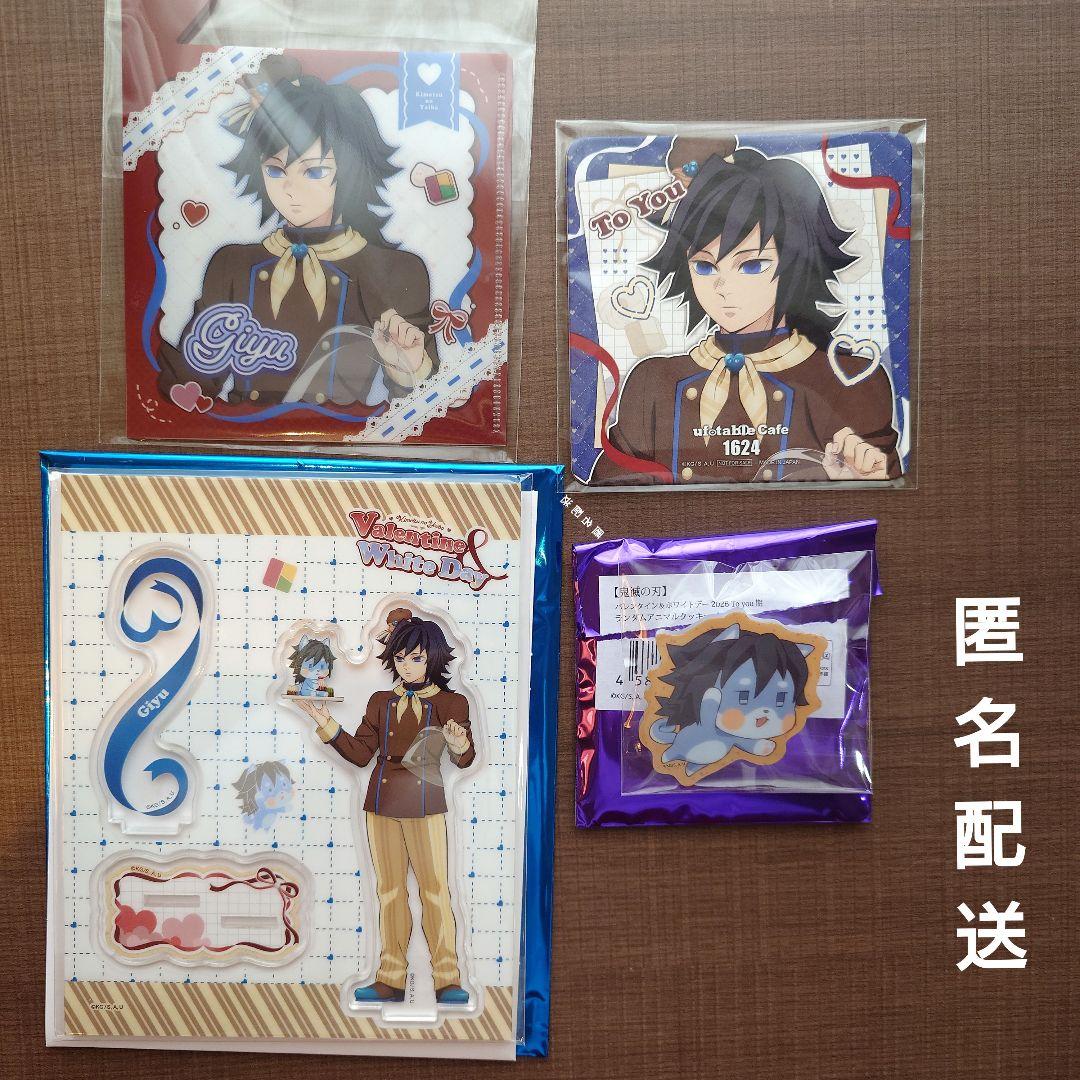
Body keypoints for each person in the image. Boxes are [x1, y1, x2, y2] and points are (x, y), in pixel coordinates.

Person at [591, 142, 900, 485]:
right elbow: (611, 496)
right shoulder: (652, 384)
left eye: (752, 265)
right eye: (705, 267)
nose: (723, 287)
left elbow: (886, 498)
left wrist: (861, 480)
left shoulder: (849, 382)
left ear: (796, 263)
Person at [159, 69, 434, 411]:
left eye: (314, 171)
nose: (290, 189)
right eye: (275, 170)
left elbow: (423, 416)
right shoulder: (231, 265)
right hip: (244, 438)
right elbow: (193, 383)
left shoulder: (396, 271)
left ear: (350, 171)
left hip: (348, 440)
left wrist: (407, 368)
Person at [298, 612, 475, 1005]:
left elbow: (465, 759)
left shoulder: (452, 701)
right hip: (381, 801)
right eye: (400, 658)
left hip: (426, 802)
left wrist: (458, 742)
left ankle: (447, 978)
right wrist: (327, 724)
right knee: (389, 891)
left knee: (435, 889)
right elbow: (361, 754)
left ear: (433, 658)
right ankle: (390, 978)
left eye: (416, 658)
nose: (407, 666)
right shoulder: (381, 701)